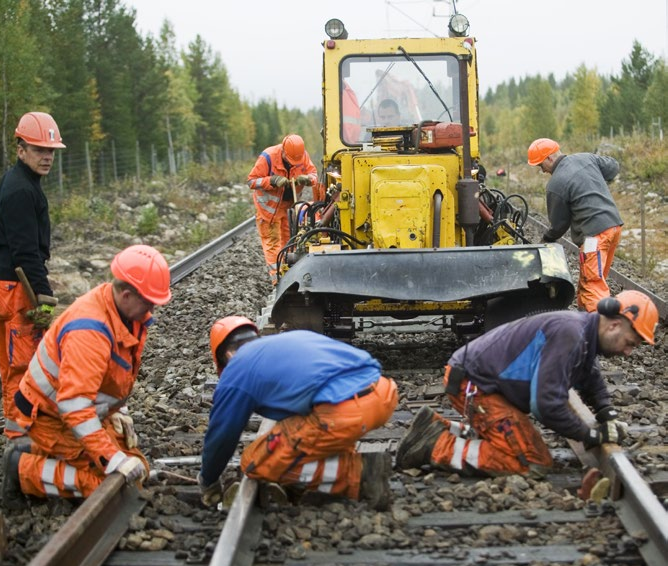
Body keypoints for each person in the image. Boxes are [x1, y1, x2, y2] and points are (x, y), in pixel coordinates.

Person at [395, 290, 658, 478]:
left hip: (484, 382)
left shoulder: (583, 331)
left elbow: (590, 375)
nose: (628, 353)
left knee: (524, 449)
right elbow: (545, 404)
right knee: (532, 462)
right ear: (614, 325)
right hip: (475, 386)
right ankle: (435, 445)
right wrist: (590, 435)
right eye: (630, 343)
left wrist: (606, 412)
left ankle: (438, 428)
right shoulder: (571, 334)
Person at [1, 245, 172, 509]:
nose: (152, 310)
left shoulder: (122, 312)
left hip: (75, 410)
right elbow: (74, 406)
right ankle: (23, 469)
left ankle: (39, 454)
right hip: (50, 418)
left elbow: (111, 373)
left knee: (139, 468)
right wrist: (113, 461)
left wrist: (118, 410)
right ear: (127, 295)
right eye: (149, 302)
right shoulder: (89, 332)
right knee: (109, 484)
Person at [198, 316, 399, 510]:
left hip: (344, 411)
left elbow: (222, 434)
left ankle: (360, 474)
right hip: (383, 392)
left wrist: (208, 479)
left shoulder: (237, 368)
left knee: (254, 462)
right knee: (301, 432)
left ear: (226, 356)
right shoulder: (287, 342)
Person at [0, 111, 66, 439]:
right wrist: (44, 299)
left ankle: (18, 430)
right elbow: (25, 252)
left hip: (4, 283)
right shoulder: (21, 190)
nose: (46, 157)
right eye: (38, 150)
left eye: (50, 151)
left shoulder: (21, 182)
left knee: (14, 365)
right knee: (23, 366)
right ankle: (20, 439)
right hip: (14, 287)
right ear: (21, 150)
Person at [528, 138, 623, 312]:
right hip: (614, 227)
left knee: (593, 283)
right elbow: (613, 167)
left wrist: (546, 239)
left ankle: (599, 329)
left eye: (541, 166)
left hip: (594, 238)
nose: (542, 171)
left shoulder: (556, 183)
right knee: (590, 277)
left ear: (549, 158)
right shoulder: (586, 158)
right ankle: (583, 318)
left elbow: (558, 225)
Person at [247, 135, 318, 285]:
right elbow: (252, 181)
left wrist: (307, 179)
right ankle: (277, 280)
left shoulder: (302, 156)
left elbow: (314, 176)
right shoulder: (268, 157)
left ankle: (290, 273)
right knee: (273, 243)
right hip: (269, 211)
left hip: (289, 208)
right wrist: (271, 181)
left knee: (290, 241)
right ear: (284, 152)